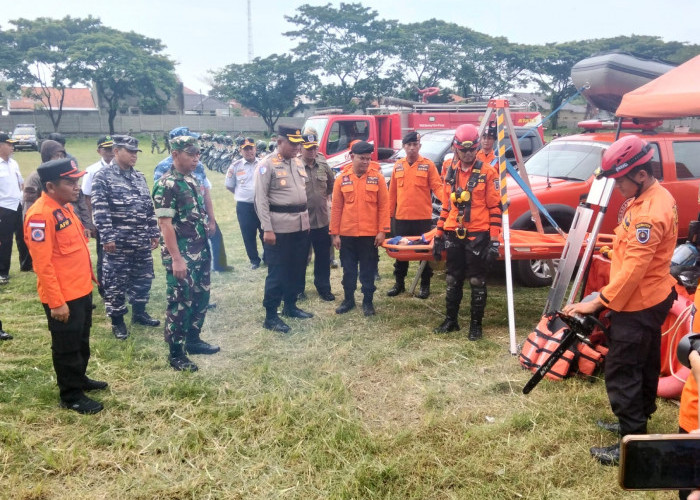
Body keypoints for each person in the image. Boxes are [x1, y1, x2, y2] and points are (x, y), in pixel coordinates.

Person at [562, 135, 678, 466]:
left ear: (640, 174)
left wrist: (597, 301)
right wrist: (617, 252)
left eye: (620, 181)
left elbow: (634, 273)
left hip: (639, 302)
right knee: (643, 364)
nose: (617, 188)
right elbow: (638, 255)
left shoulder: (649, 213)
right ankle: (636, 423)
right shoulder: (652, 197)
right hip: (649, 297)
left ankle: (632, 443)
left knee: (623, 369)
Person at [24, 158, 107, 414]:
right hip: (63, 296)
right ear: (50, 186)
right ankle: (70, 395)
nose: (77, 186)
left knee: (81, 341)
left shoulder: (64, 207)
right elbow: (43, 264)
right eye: (69, 182)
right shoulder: (40, 215)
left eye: (77, 180)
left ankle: (79, 379)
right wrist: (56, 302)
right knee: (66, 346)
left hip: (80, 289)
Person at [153, 135, 220, 371]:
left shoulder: (192, 179)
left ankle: (193, 340)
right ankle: (176, 353)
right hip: (181, 255)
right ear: (175, 154)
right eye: (190, 154)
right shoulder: (167, 184)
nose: (196, 158)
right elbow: (165, 225)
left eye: (197, 153)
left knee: (201, 297)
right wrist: (177, 259)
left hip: (199, 251)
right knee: (180, 303)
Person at [433, 124, 502, 340]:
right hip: (453, 231)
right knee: (453, 278)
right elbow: (446, 207)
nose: (468, 153)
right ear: (456, 149)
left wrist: (494, 241)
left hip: (478, 234)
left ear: (477, 147)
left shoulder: (488, 172)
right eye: (463, 150)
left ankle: (475, 326)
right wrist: (437, 235)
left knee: (476, 280)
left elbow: (495, 208)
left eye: (472, 149)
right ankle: (451, 320)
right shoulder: (450, 172)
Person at [91, 135, 161, 340]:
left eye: (135, 152)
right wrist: (107, 237)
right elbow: (100, 210)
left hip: (140, 241)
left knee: (143, 278)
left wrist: (153, 232)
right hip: (118, 243)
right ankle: (118, 321)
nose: (133, 155)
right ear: (116, 151)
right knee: (116, 282)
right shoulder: (103, 177)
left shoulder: (139, 177)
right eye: (129, 151)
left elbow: (148, 207)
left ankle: (139, 313)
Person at [254, 125, 313, 333]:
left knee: (296, 269)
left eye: (299, 144)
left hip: (300, 225)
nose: (297, 148)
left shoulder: (297, 162)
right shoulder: (266, 164)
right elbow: (260, 199)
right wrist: (267, 228)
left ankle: (290, 306)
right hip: (278, 228)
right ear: (279, 142)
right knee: (278, 271)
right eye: (293, 144)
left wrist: (306, 224)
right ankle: (271, 316)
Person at [155, 127, 230, 273]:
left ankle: (219, 266)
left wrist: (211, 219)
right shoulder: (164, 169)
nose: (196, 156)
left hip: (199, 214)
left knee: (214, 239)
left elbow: (205, 191)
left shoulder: (198, 167)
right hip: (179, 222)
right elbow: (162, 202)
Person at [330, 141, 390, 316]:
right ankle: (348, 300)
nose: (365, 162)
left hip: (369, 235)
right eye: (361, 158)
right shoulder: (341, 178)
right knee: (348, 270)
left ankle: (368, 302)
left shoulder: (377, 178)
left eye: (368, 159)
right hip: (347, 235)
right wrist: (335, 234)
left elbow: (383, 206)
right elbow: (336, 208)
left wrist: (382, 231)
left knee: (368, 270)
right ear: (352, 157)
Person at [387, 131, 443, 299]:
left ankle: (424, 286)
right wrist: (389, 217)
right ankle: (399, 284)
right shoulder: (398, 166)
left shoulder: (428, 165)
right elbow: (392, 194)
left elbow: (437, 187)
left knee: (424, 253)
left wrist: (449, 204)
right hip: (402, 218)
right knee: (401, 252)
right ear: (404, 146)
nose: (412, 148)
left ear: (419, 146)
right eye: (408, 145)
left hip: (422, 219)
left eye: (415, 145)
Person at [299, 130, 336, 301]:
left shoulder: (323, 165)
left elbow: (331, 185)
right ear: (300, 148)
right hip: (301, 222)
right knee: (299, 259)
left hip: (322, 220)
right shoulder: (295, 166)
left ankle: (323, 287)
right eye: (308, 148)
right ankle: (298, 289)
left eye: (314, 148)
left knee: (323, 257)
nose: (312, 151)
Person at [81, 136, 115, 296]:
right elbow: (86, 198)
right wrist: (90, 222)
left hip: (120, 221)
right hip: (101, 220)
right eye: (106, 149)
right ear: (99, 151)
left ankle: (120, 286)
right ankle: (104, 288)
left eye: (112, 148)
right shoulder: (92, 170)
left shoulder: (121, 167)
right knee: (103, 256)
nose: (110, 152)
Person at [225, 137, 264, 269]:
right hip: (244, 206)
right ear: (241, 151)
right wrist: (242, 195)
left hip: (262, 205)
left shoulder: (263, 163)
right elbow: (229, 185)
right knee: (248, 234)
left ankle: (268, 257)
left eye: (251, 148)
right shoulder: (235, 166)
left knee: (265, 231)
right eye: (245, 149)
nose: (249, 151)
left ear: (255, 149)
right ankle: (254, 260)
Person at [0, 132, 30, 283]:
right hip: (3, 207)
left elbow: (21, 183)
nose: (12, 147)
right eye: (9, 144)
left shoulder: (13, 163)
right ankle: (2, 272)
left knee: (23, 236)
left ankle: (26, 264)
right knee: (4, 240)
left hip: (17, 204)